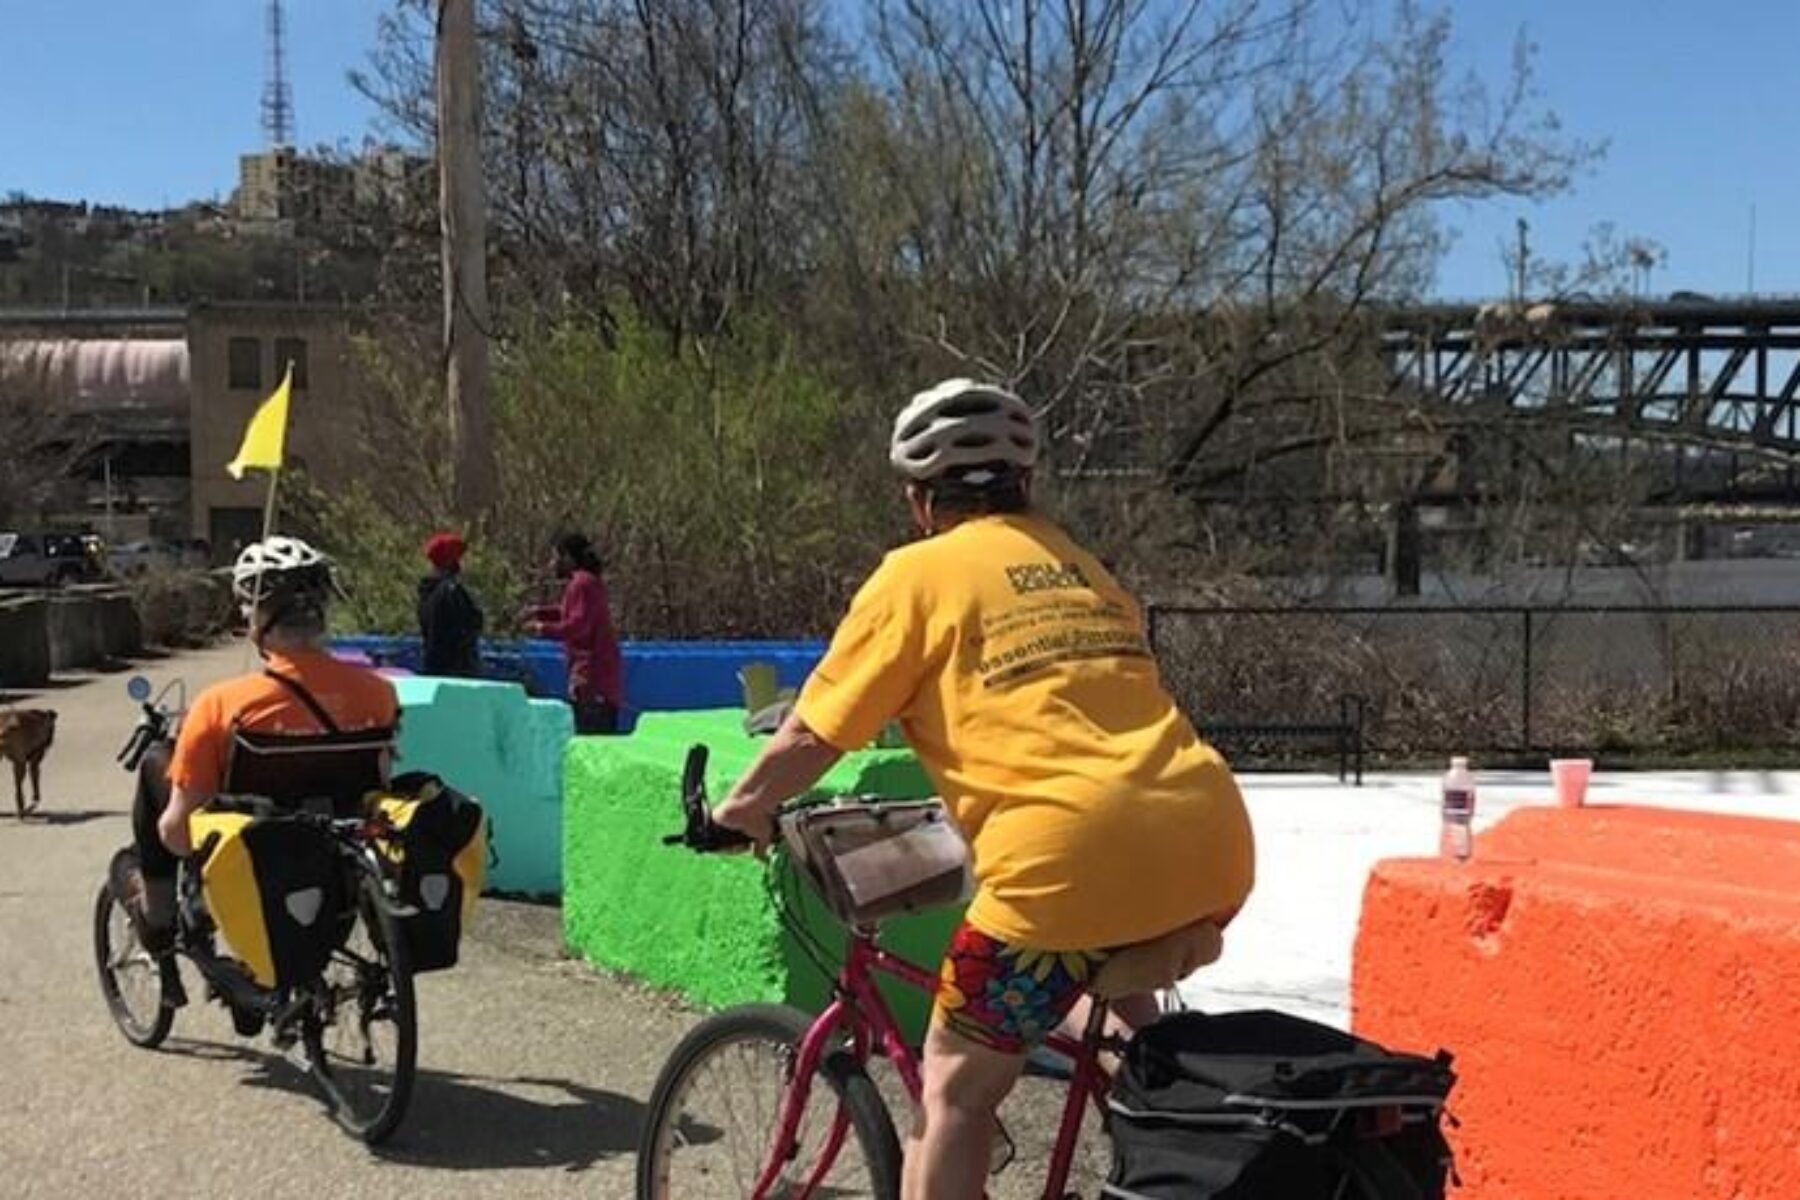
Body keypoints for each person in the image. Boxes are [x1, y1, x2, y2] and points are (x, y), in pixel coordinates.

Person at [710, 379, 1255, 1200]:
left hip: (1062, 858)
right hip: (1209, 838)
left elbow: (814, 732)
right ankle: (1180, 1131)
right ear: (1025, 484)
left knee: (955, 1095)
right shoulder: (1081, 566)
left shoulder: (917, 575)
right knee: (1088, 983)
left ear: (918, 500)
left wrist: (742, 812)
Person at [124, 537, 398, 984]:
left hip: (255, 858)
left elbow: (177, 834)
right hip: (338, 853)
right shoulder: (379, 693)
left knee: (156, 759)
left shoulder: (221, 704)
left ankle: (157, 920)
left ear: (258, 616)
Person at [524, 532, 624, 734]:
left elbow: (578, 626)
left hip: (591, 682)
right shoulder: (588, 582)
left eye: (555, 557)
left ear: (568, 558)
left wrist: (542, 628)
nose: (552, 564)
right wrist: (539, 612)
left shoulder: (581, 584)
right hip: (598, 683)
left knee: (590, 741)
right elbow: (571, 613)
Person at [417, 530, 486, 677]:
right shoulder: (451, 592)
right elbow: (465, 628)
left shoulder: (428, 592)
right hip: (457, 671)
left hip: (433, 668)